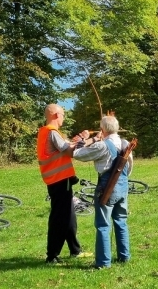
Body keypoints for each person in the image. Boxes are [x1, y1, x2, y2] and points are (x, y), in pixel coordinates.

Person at [72, 115, 133, 269]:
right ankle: (124, 256)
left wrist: (85, 139)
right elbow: (129, 167)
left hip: (107, 187)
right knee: (121, 221)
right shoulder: (126, 143)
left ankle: (104, 262)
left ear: (103, 129)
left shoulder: (102, 146)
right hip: (123, 185)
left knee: (103, 225)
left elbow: (77, 154)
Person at [37, 104, 82, 263]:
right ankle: (52, 255)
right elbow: (69, 151)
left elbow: (67, 145)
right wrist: (87, 141)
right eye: (63, 114)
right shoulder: (52, 132)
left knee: (69, 214)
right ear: (56, 115)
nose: (64, 117)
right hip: (60, 180)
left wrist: (78, 140)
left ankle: (75, 250)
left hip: (57, 180)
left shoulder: (48, 132)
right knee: (60, 217)